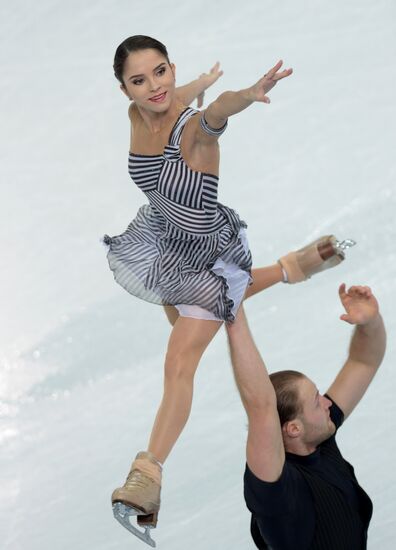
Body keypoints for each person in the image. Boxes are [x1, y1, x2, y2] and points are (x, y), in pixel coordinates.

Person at [103, 35, 350, 544]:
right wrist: (197, 81)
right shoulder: (137, 114)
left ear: (170, 66)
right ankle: (294, 266)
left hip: (207, 253)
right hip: (165, 243)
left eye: (161, 73)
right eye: (139, 79)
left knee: (180, 361)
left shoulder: (197, 133)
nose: (154, 86)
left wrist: (242, 92)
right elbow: (179, 95)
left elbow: (215, 110)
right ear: (124, 86)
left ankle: (146, 477)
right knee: (215, 313)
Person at [226, 283, 386, 549]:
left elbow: (363, 362)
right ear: (293, 429)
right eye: (315, 401)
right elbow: (260, 406)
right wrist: (234, 314)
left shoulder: (320, 438)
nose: (327, 403)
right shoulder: (279, 492)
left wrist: (369, 323)